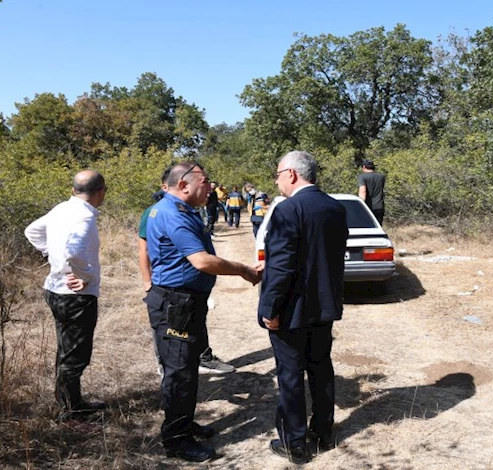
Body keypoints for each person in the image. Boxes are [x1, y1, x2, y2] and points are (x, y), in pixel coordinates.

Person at [144, 161, 260, 462]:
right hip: (176, 304)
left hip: (184, 302)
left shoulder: (177, 209)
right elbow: (203, 261)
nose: (210, 187)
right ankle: (176, 440)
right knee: (180, 372)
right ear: (184, 185)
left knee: (186, 367)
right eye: (205, 181)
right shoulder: (173, 214)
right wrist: (244, 270)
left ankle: (181, 422)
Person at [257, 150, 349, 464]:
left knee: (291, 375)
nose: (276, 180)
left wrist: (270, 309)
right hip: (323, 307)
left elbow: (281, 267)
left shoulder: (288, 209)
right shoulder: (335, 208)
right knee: (321, 369)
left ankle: (295, 444)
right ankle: (323, 432)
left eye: (278, 173)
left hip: (291, 311)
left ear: (292, 174)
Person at [24, 170, 108, 422]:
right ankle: (70, 414)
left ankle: (73, 403)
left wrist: (51, 254)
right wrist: (83, 275)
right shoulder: (84, 218)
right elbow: (74, 252)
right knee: (75, 356)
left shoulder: (61, 209)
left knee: (66, 351)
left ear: (74, 190)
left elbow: (32, 231)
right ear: (101, 192)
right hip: (75, 297)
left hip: (55, 290)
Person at [138, 171, 236, 376]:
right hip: (175, 297)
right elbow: (144, 250)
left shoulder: (186, 211)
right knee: (178, 367)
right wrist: (147, 282)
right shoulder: (165, 212)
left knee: (187, 356)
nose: (209, 187)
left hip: (190, 297)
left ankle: (202, 358)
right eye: (205, 182)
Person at [358, 159, 385, 225]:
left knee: (366, 227)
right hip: (379, 206)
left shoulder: (362, 177)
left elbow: (363, 191)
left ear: (364, 167)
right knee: (378, 227)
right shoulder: (381, 177)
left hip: (367, 207)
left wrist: (360, 205)